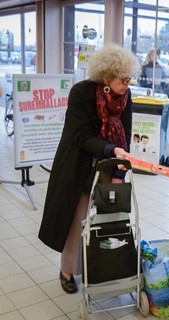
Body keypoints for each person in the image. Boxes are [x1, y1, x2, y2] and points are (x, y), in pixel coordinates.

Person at [38, 43, 140, 294]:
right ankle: (68, 270)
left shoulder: (125, 97)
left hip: (110, 163)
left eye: (130, 78)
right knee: (77, 220)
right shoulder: (81, 93)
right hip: (78, 165)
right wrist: (111, 150)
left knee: (110, 220)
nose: (128, 83)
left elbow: (124, 136)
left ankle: (104, 265)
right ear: (106, 76)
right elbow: (81, 135)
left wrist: (118, 172)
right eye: (123, 78)